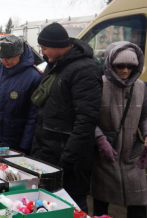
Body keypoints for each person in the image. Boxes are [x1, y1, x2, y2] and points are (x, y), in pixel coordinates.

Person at [30, 23, 102, 213]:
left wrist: (69, 157)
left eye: (45, 48)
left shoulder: (84, 70)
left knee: (73, 203)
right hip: (48, 150)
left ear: (59, 45)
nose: (43, 53)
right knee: (50, 203)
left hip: (69, 156)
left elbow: (86, 119)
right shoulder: (55, 65)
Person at [91, 41, 147, 218]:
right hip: (105, 155)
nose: (125, 71)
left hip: (132, 156)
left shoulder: (140, 87)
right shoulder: (98, 85)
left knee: (138, 205)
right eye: (120, 65)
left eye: (131, 66)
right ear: (109, 63)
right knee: (101, 205)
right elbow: (89, 119)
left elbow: (146, 117)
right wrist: (100, 140)